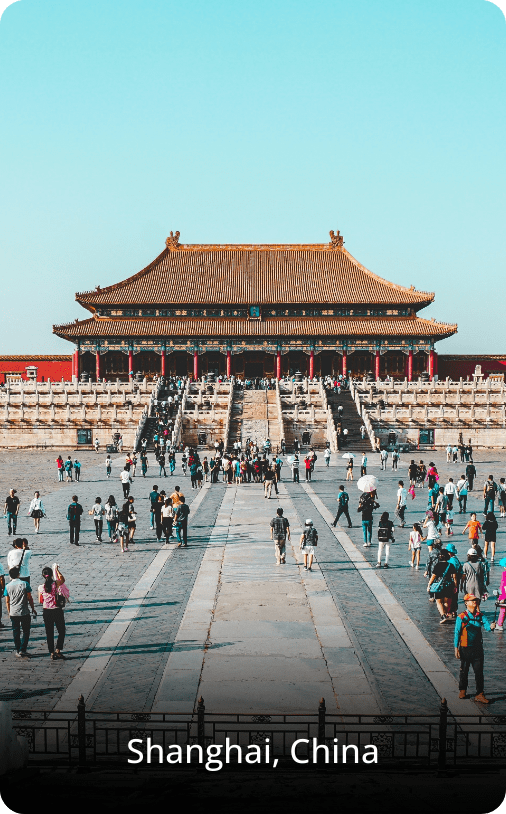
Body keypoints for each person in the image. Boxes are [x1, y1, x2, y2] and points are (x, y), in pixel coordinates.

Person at [454, 593, 495, 702]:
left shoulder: (481, 616)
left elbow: (487, 627)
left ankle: (480, 694)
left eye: (475, 600)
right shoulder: (461, 617)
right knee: (464, 670)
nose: (474, 602)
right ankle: (462, 690)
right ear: (466, 603)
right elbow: (457, 633)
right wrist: (456, 648)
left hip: (477, 649)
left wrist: (491, 627)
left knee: (479, 672)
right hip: (465, 648)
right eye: (472, 600)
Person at [4, 565, 37, 657]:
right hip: (24, 611)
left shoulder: (7, 586)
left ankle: (18, 649)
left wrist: (9, 611)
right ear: (18, 574)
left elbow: (7, 601)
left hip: (13, 612)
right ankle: (23, 649)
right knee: (26, 631)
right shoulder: (25, 584)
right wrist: (33, 608)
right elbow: (29, 598)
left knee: (16, 631)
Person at [38, 565, 66, 660]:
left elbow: (40, 601)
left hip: (47, 611)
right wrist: (57, 570)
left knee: (49, 633)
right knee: (61, 630)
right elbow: (62, 579)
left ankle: (51, 652)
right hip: (57, 610)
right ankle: (58, 649)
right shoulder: (56, 583)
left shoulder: (41, 587)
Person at [427, 548, 458, 622]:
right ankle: (446, 614)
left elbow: (433, 576)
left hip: (439, 586)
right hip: (448, 585)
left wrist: (429, 585)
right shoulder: (450, 565)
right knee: (446, 602)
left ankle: (443, 615)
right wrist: (455, 586)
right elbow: (454, 577)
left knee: (439, 602)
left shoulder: (438, 565)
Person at [494, 557, 506, 631]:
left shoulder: (504, 574)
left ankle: (500, 624)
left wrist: (501, 596)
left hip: (504, 594)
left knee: (503, 610)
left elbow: (503, 585)